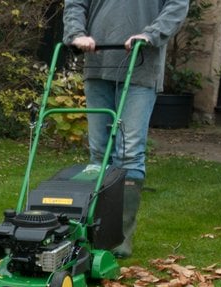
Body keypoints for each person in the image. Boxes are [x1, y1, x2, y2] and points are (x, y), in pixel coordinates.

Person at [63, 0, 189, 257]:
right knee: (99, 154)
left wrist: (150, 34)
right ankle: (95, 232)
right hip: (98, 63)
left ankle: (119, 238)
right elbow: (75, 4)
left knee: (129, 152)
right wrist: (76, 34)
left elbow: (177, 5)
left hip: (141, 64)